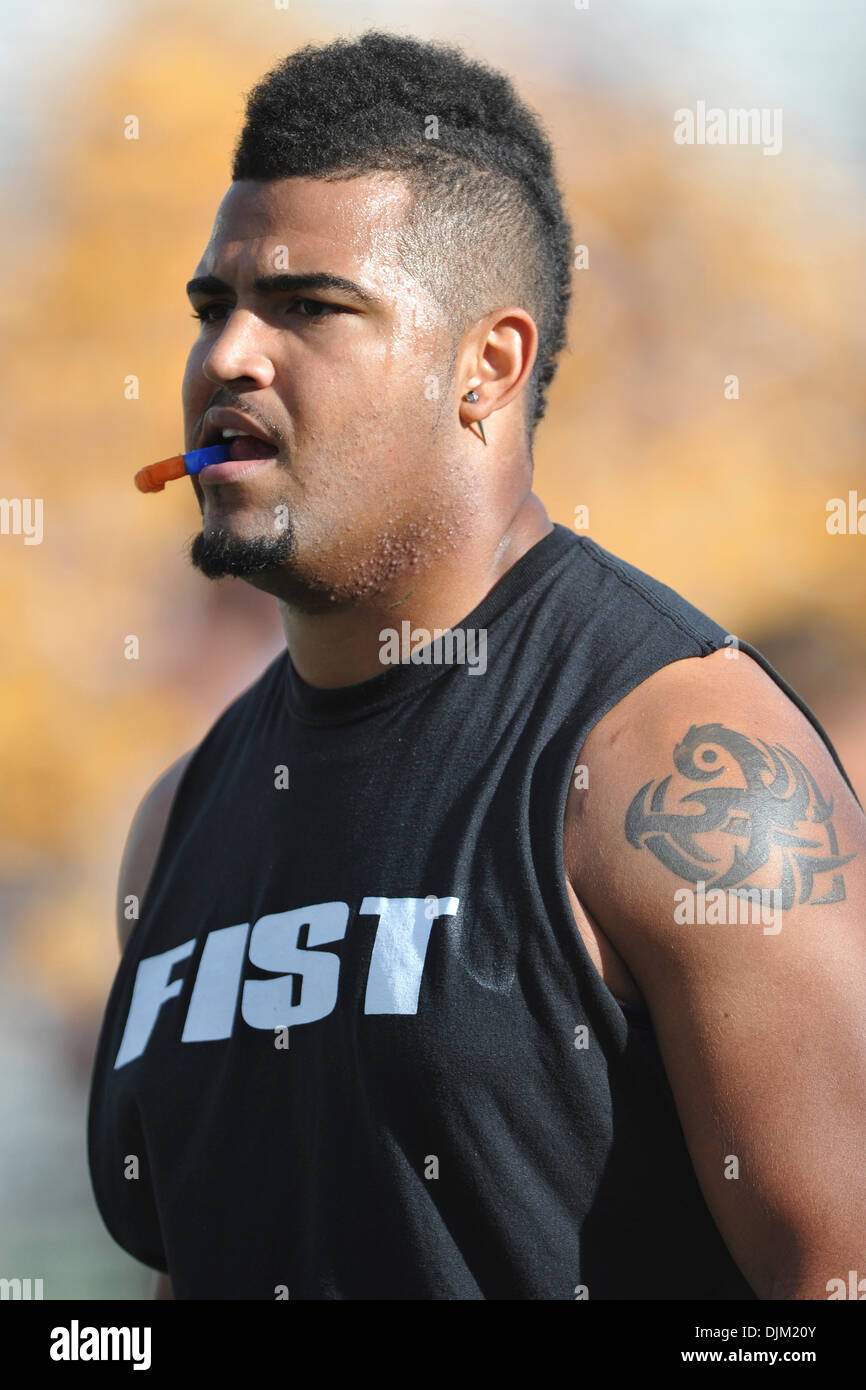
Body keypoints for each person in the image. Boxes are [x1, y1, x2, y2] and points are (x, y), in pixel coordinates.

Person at [88, 31, 866, 1300]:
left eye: (306, 307)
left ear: (485, 366)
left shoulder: (672, 763)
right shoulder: (177, 823)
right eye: (213, 307)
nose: (229, 355)